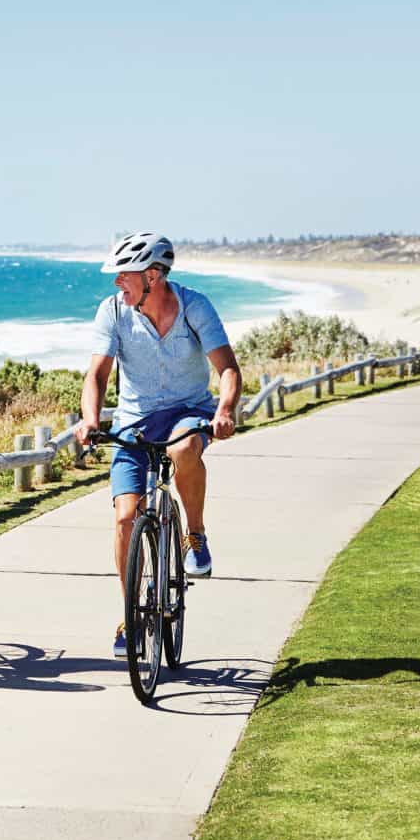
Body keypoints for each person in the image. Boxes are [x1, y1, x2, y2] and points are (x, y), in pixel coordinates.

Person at [73, 232, 242, 659]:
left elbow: (227, 368)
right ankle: (130, 613)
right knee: (126, 518)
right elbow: (96, 376)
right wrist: (91, 419)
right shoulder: (113, 311)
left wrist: (224, 410)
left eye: (123, 276)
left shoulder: (195, 307)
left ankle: (195, 535)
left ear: (153, 276)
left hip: (189, 411)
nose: (117, 284)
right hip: (136, 421)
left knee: (184, 450)